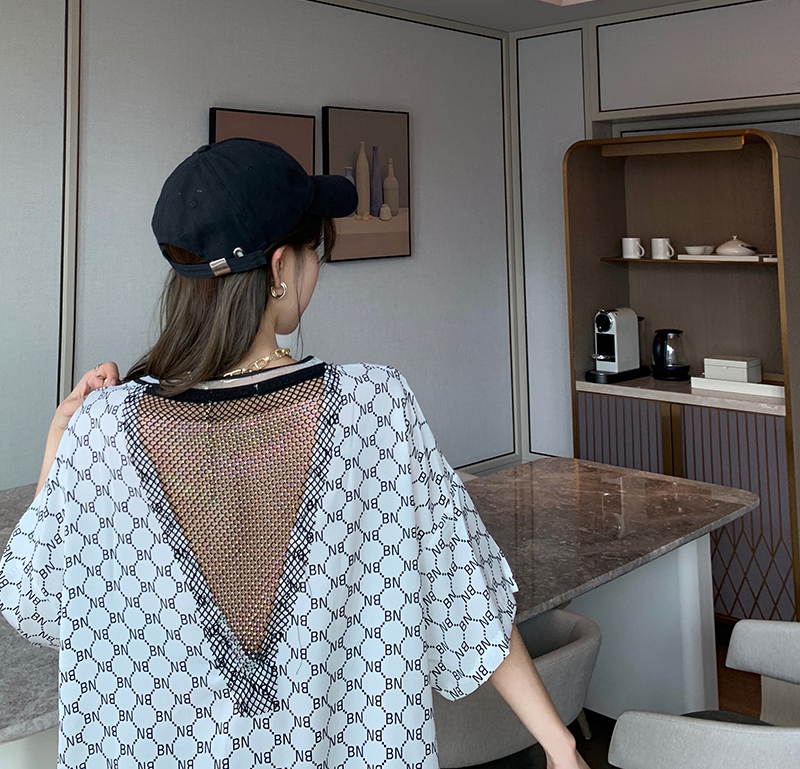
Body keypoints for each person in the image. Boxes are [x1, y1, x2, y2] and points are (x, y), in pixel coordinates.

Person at [0, 139, 589, 769]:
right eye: (317, 253)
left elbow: (35, 603)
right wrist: (561, 746)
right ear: (282, 266)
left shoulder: (102, 428)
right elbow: (467, 600)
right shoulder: (374, 408)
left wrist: (60, 444)